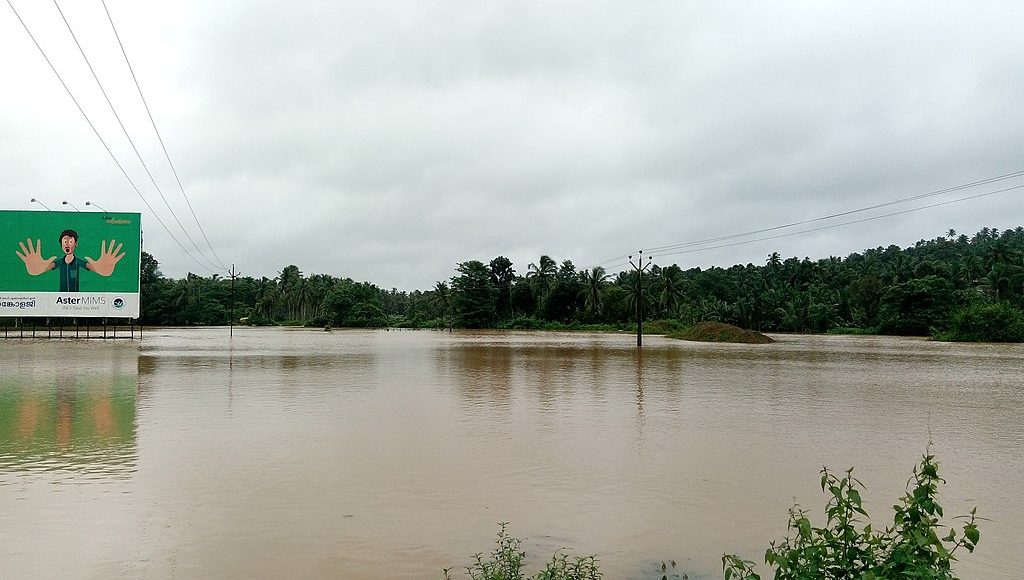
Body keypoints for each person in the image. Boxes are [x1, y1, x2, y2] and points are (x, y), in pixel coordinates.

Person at [15, 229, 125, 292]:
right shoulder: (59, 262)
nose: (67, 244)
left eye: (70, 241)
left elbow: (92, 268)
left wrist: (103, 269)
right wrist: (36, 269)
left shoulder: (78, 262)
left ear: (76, 244)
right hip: (60, 298)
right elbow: (46, 268)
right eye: (64, 241)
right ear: (61, 244)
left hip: (76, 299)